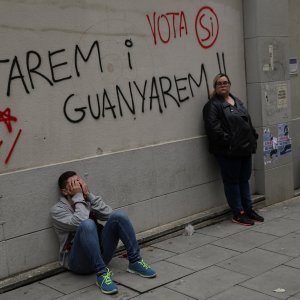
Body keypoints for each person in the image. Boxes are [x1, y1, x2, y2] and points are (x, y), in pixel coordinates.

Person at [50, 171, 156, 295]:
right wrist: (78, 197)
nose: (78, 186)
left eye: (79, 181)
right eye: (74, 184)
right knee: (87, 224)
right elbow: (81, 221)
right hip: (78, 263)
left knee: (119, 216)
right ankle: (102, 275)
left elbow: (109, 215)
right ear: (64, 191)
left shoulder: (87, 200)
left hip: (101, 255)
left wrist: (88, 195)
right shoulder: (57, 210)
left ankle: (135, 261)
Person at [202, 73, 264, 226]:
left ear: (230, 85)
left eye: (225, 82)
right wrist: (230, 142)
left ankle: (248, 208)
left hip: (245, 149)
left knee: (244, 180)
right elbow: (213, 130)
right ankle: (238, 212)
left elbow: (247, 122)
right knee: (232, 182)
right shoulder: (212, 105)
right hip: (228, 151)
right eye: (219, 83)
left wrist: (253, 136)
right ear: (215, 87)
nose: (223, 85)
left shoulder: (237, 101)